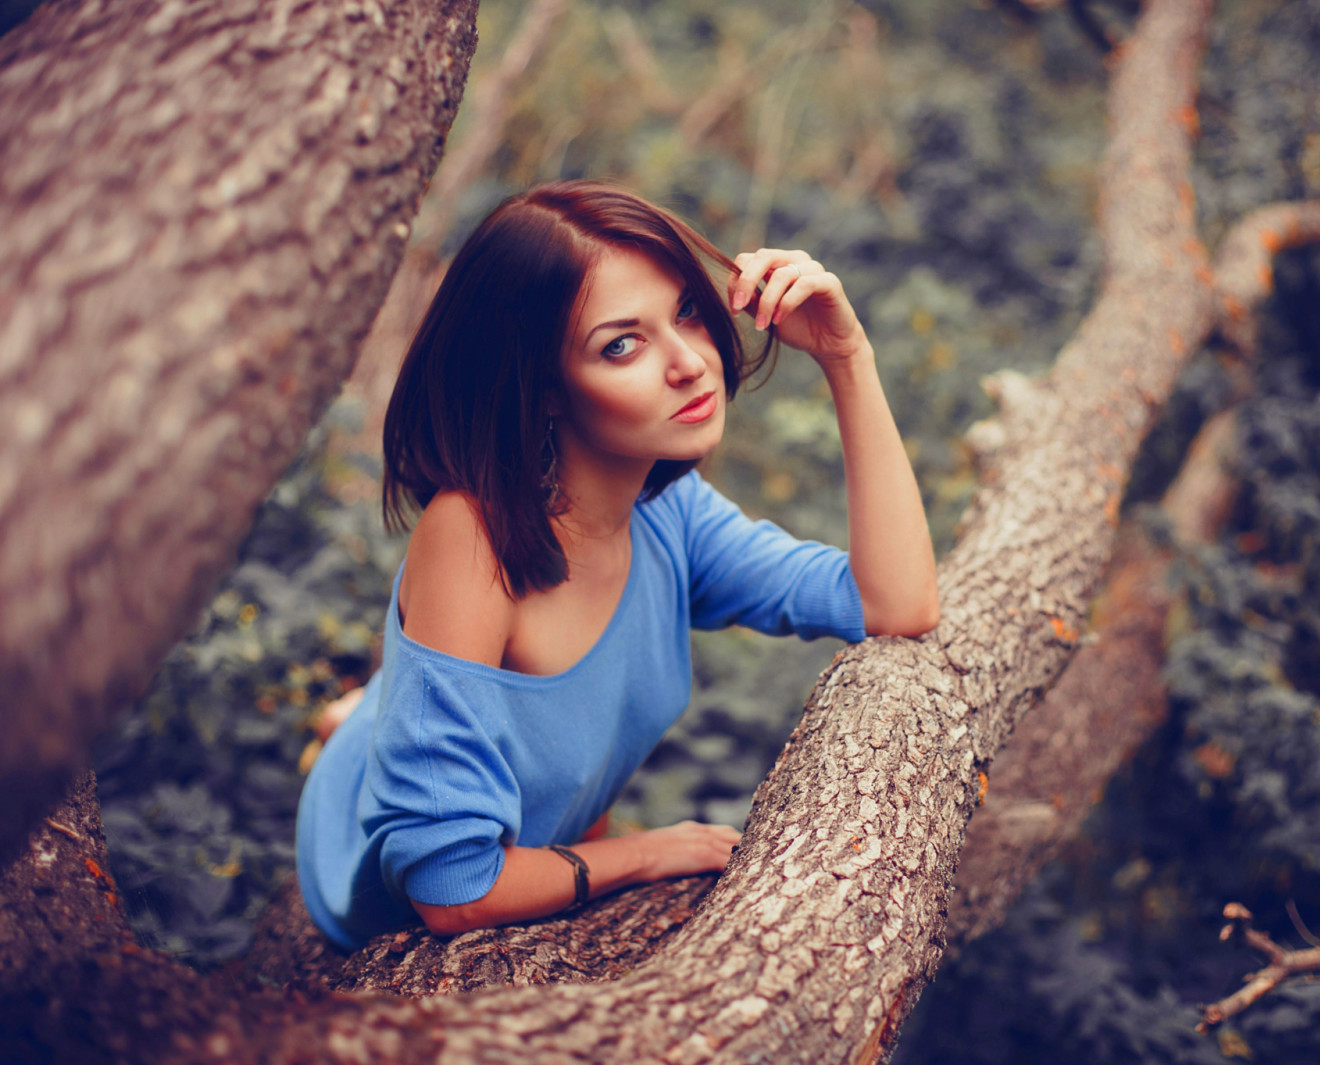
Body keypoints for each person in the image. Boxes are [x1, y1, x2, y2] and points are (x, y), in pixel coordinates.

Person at [294, 181, 938, 951]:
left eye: (688, 313)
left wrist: (846, 357)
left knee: (444, 711)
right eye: (621, 344)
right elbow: (451, 888)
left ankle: (376, 703)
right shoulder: (471, 535)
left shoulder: (669, 512)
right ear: (543, 386)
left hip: (537, 817)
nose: (689, 363)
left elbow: (894, 604)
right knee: (395, 739)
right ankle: (356, 726)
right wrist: (647, 852)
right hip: (363, 876)